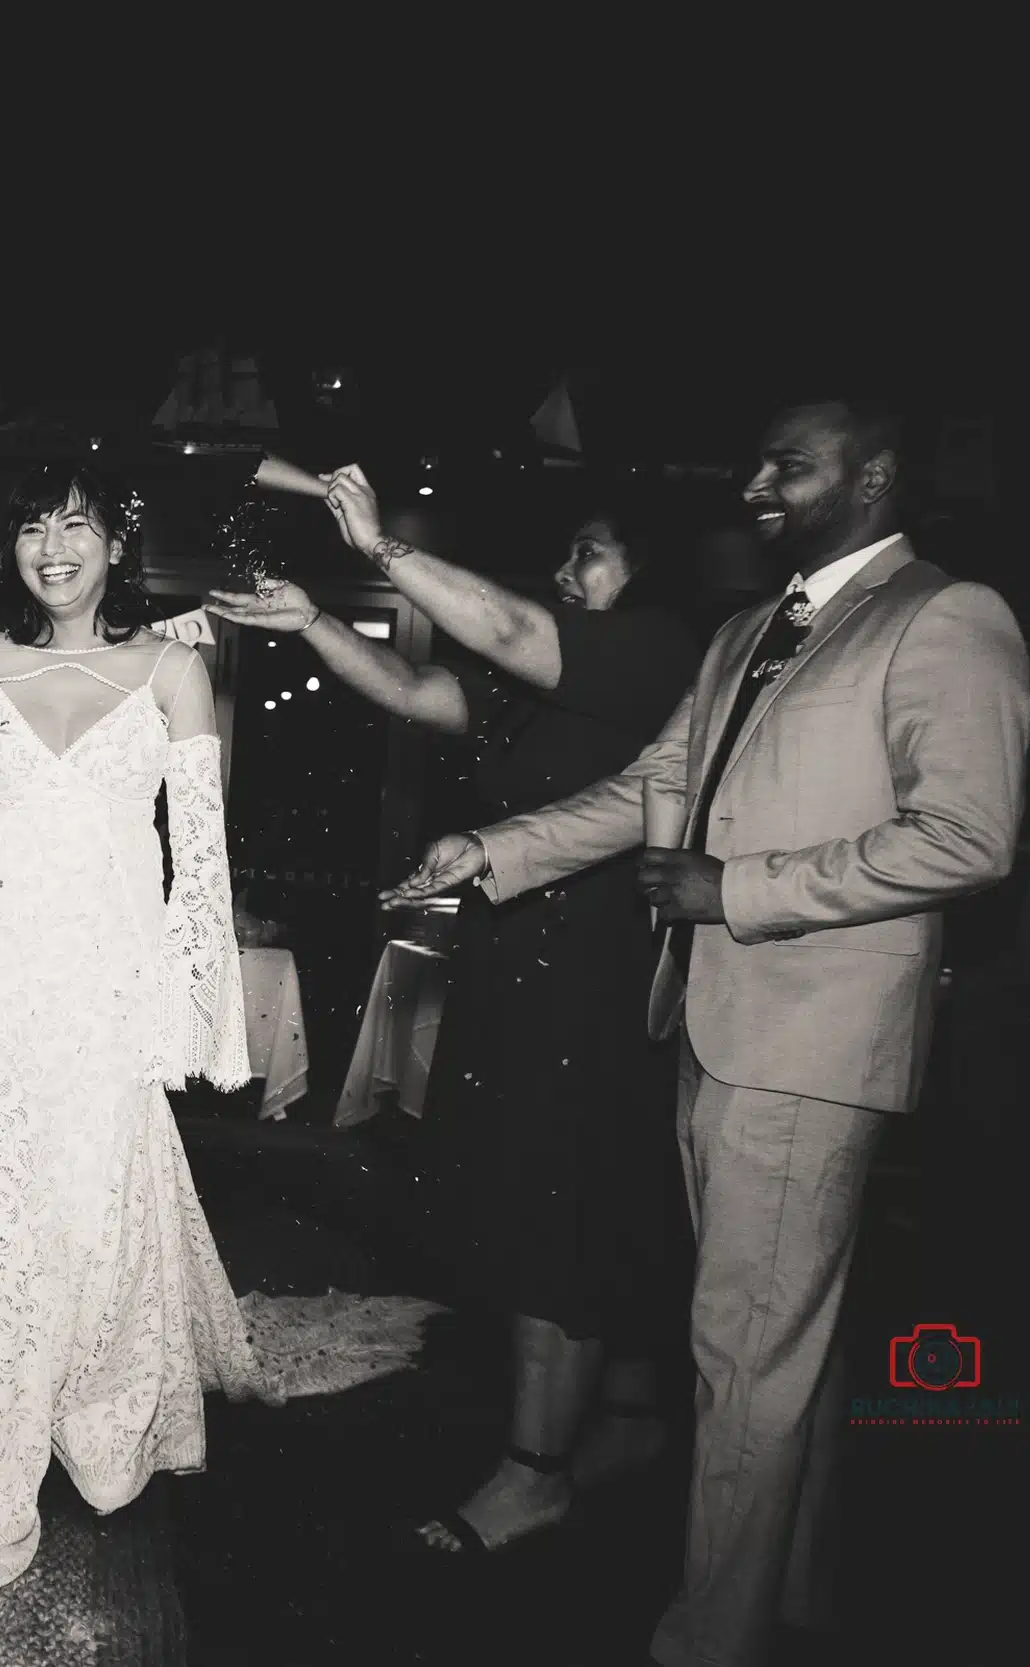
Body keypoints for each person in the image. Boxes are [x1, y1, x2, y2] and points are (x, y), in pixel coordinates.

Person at [394, 400, 1030, 1667]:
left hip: (809, 1039)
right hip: (711, 1026)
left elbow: (968, 835)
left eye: (785, 464)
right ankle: (794, 1596)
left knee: (745, 1353)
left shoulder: (946, 617)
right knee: (776, 1344)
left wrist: (732, 889)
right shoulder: (752, 627)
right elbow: (651, 791)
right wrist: (494, 850)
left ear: (875, 475)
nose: (753, 482)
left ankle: (709, 1641)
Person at [0, 465, 436, 1594]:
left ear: (112, 545)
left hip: (106, 984)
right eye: (33, 522)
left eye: (76, 524)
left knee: (92, 1206)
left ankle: (94, 1428)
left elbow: (200, 860)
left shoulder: (173, 669)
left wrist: (195, 1014)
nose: (53, 545)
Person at [207, 477, 702, 1558]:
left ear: (651, 573)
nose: (570, 571)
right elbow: (413, 688)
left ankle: (536, 1475)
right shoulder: (541, 685)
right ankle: (622, 1421)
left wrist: (376, 542)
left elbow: (517, 622)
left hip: (597, 962)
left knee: (560, 1210)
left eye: (593, 552)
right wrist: (316, 622)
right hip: (522, 943)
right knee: (560, 1195)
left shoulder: (660, 649)